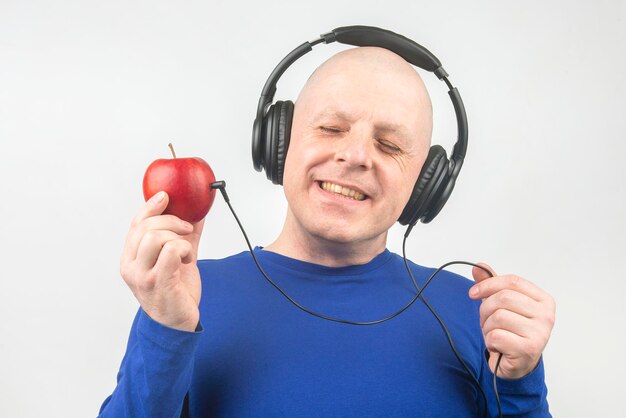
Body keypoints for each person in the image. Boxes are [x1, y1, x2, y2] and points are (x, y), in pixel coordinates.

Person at [98, 46, 555, 417]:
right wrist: (166, 329)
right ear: (279, 142)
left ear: (426, 183)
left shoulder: (478, 312)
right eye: (331, 128)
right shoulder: (187, 296)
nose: (356, 155)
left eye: (390, 145)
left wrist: (521, 385)